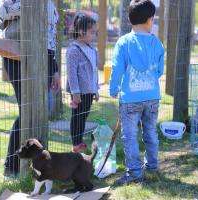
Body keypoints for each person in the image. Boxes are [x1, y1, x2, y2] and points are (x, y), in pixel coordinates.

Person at [0, 0, 61, 177]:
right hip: (17, 53)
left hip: (45, 56)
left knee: (40, 110)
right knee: (26, 111)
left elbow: (50, 35)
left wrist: (54, 69)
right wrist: (30, 6)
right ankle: (12, 166)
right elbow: (2, 11)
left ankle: (36, 165)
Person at [109, 0, 164, 185]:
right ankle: (152, 166)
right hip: (152, 97)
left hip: (130, 99)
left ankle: (134, 172)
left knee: (130, 136)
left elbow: (117, 68)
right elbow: (159, 70)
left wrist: (114, 88)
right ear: (149, 20)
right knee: (150, 132)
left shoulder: (123, 42)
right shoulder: (157, 43)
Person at [66, 13, 102, 153]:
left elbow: (93, 71)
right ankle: (76, 143)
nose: (94, 35)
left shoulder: (92, 50)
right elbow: (71, 73)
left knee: (84, 115)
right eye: (92, 32)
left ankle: (79, 140)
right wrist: (75, 92)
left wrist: (96, 89)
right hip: (79, 92)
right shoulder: (74, 50)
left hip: (89, 91)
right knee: (77, 117)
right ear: (81, 31)